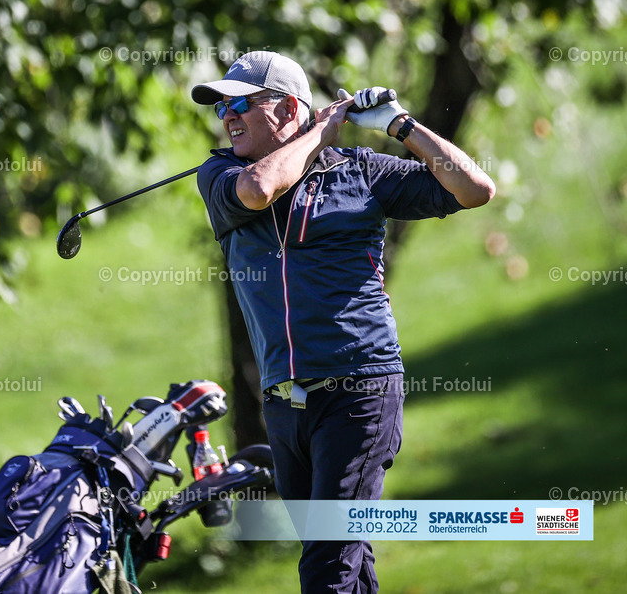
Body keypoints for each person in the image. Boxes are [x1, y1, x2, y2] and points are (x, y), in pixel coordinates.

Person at [193, 51, 495, 592]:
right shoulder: (220, 175)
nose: (227, 116)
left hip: (360, 391)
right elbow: (261, 190)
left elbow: (473, 190)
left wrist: (404, 127)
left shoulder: (362, 172)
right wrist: (322, 131)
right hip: (284, 402)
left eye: (239, 103)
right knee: (345, 565)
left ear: (287, 110)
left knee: (329, 566)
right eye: (221, 107)